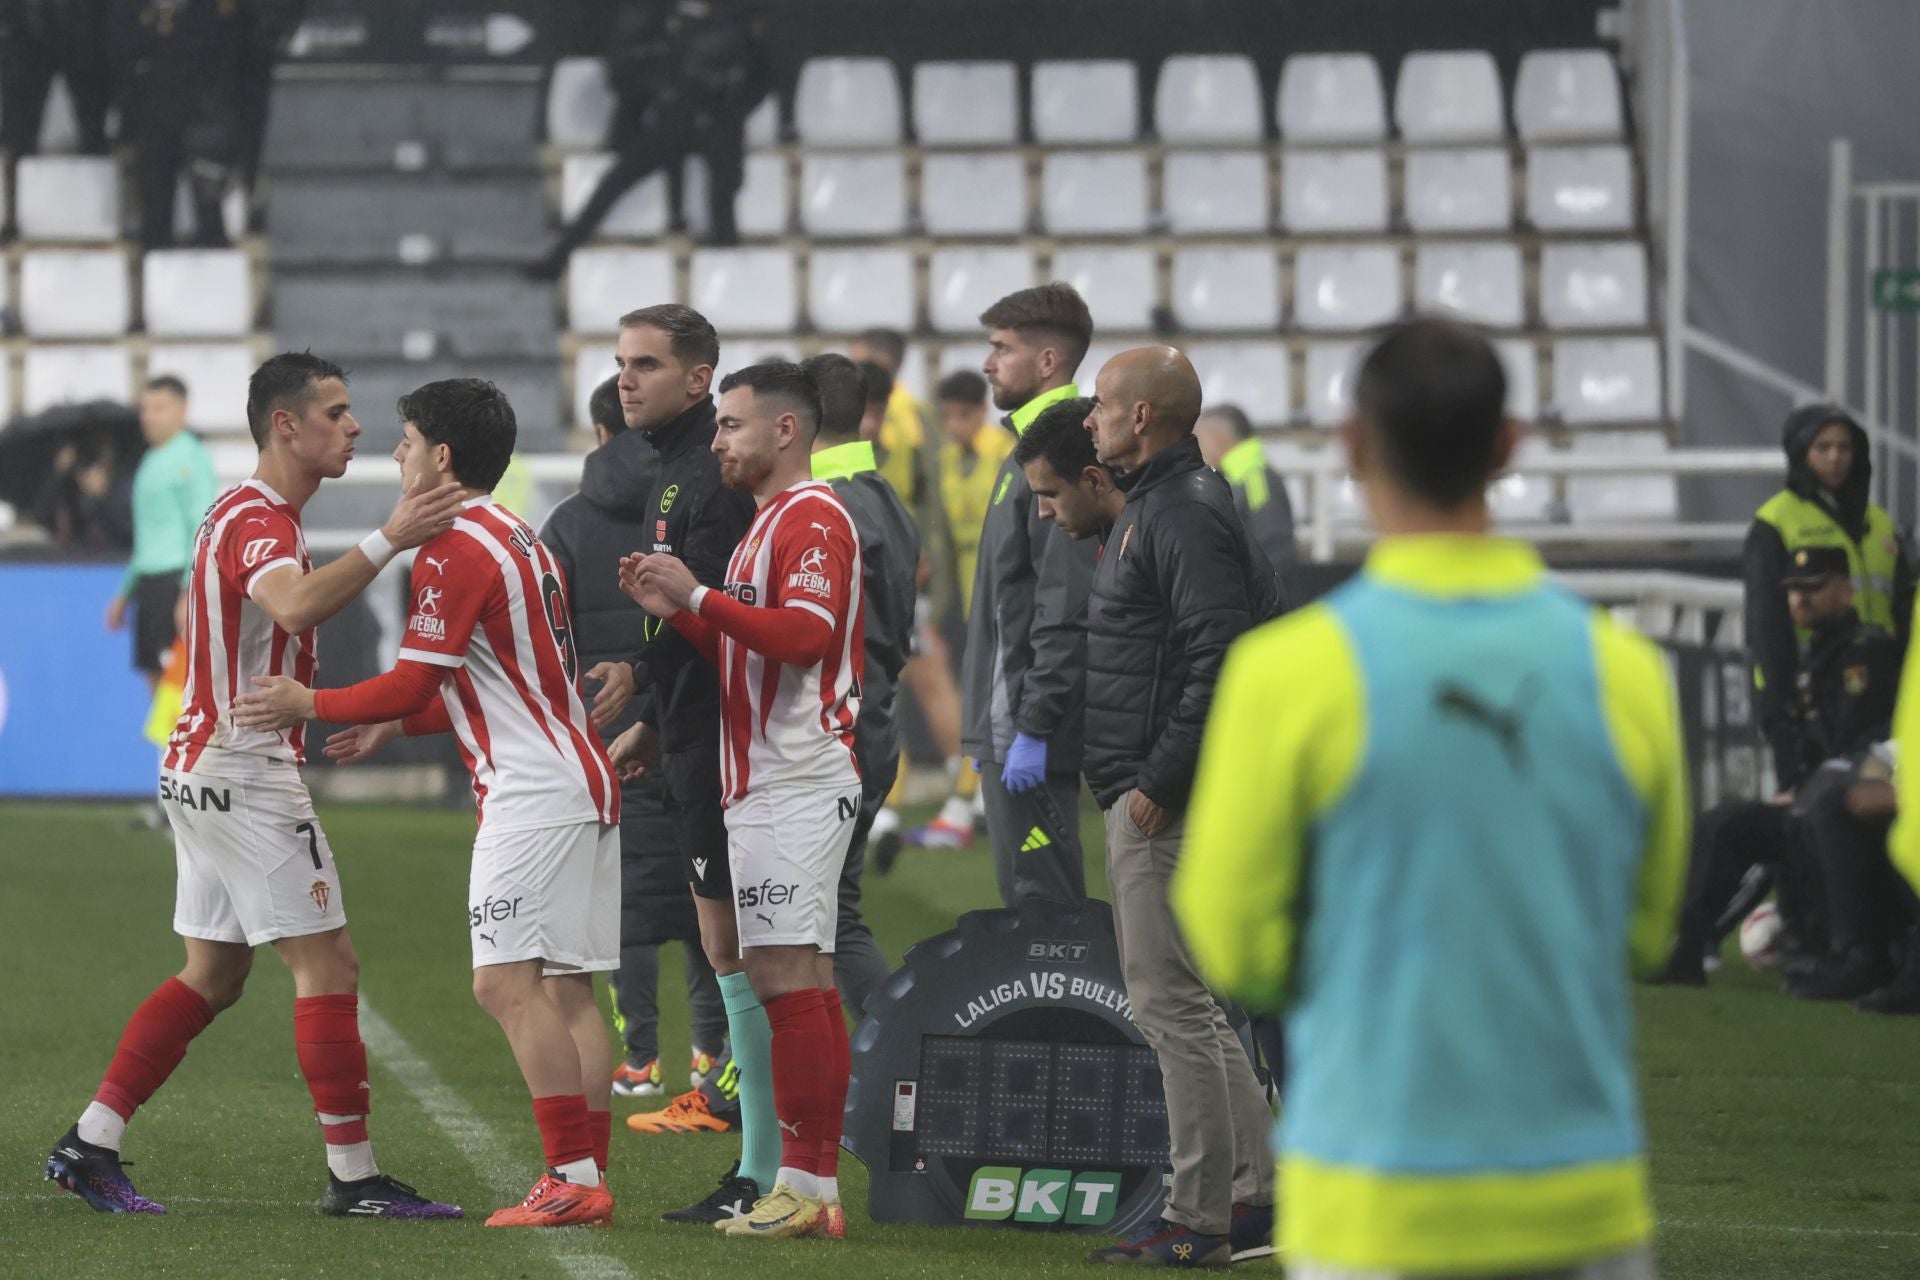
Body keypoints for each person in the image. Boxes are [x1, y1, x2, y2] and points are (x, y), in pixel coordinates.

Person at [1174, 318, 1688, 1280]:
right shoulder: (1626, 671)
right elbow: (1647, 932)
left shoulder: (1287, 673)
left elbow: (1236, 941)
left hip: (1372, 1202)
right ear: (1509, 446)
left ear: (1353, 446)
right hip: (1581, 1197)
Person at [44, 353, 465, 1219]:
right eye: (337, 412)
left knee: (214, 972)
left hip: (201, 761)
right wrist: (392, 537)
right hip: (242, 768)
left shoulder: (237, 511)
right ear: (285, 424)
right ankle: (353, 1178)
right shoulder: (263, 520)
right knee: (329, 964)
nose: (354, 428)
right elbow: (295, 606)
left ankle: (91, 1142)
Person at [232, 378, 622, 1228]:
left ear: (441, 458)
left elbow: (414, 677)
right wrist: (396, 728)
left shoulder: (453, 547)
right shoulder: (517, 531)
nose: (397, 454)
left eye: (406, 442)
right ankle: (588, 1175)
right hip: (581, 780)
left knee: (503, 984)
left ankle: (569, 1174)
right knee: (568, 990)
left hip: (531, 796)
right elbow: (486, 684)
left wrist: (313, 705)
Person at [621, 361, 863, 1241]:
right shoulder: (771, 523)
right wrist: (680, 610)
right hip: (765, 776)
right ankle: (806, 1185)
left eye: (730, 424)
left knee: (791, 979)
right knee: (791, 978)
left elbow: (806, 637)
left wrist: (696, 594)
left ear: (786, 431)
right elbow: (749, 651)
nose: (717, 440)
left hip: (797, 776)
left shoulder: (813, 517)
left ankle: (809, 1185)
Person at [1074, 348, 1279, 1267]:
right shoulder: (1164, 504)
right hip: (1155, 787)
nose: (1091, 420)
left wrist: (1160, 780)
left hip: (1164, 799)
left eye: (1104, 407)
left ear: (1144, 417)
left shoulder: (1179, 511)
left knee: (1170, 1005)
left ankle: (1200, 1222)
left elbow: (1221, 653)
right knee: (1186, 1002)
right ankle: (1257, 1196)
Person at [595, 304, 769, 1223]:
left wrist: (644, 681)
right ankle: (764, 1152)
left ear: (700, 379)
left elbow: (708, 613)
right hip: (696, 729)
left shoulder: (706, 477)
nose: (627, 379)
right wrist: (658, 717)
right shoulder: (674, 473)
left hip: (731, 740)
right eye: (623, 363)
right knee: (738, 945)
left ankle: (765, 1157)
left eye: (647, 365)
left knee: (751, 949)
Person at [539, 374, 728, 1100]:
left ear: (597, 434)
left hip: (602, 723)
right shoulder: (698, 493)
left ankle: (640, 1057)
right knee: (706, 898)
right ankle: (712, 1055)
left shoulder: (567, 522)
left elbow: (547, 633)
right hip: (681, 709)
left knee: (625, 904)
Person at [1662, 546, 1898, 988]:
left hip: (1852, 801)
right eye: (1793, 591)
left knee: (1785, 821)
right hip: (1814, 797)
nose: (1800, 600)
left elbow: (1866, 746)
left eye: (1813, 589)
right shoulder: (1815, 658)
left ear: (1846, 592)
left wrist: (1811, 787)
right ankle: (1687, 950)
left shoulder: (1868, 654)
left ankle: (1853, 956)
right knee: (1724, 822)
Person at [962, 282, 1098, 908]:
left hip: (1022, 718)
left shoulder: (1060, 452)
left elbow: (1063, 602)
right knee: (1032, 900)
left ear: (1047, 362)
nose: (987, 364)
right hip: (1011, 716)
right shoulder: (1026, 447)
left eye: (1000, 349)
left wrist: (1034, 726)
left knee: (1045, 909)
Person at [801, 353, 918, 1015]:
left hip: (839, 730)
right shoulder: (884, 498)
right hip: (872, 720)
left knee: (822, 919)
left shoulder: (830, 508)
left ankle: (898, 1060)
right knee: (814, 917)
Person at [528, 0, 770, 276]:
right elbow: (627, 65)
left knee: (723, 204)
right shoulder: (664, 14)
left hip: (720, 123)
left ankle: (728, 279)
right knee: (613, 183)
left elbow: (762, 76)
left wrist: (733, 110)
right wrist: (660, 91)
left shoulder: (737, 16)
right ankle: (559, 258)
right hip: (675, 118)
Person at [1747, 405, 1914, 784]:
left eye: (1844, 447)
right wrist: (1778, 698)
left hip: (1883, 689)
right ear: (1801, 452)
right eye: (1823, 447)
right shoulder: (1776, 521)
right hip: (1815, 690)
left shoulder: (1880, 523)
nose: (1836, 457)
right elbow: (1766, 622)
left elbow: (1903, 609)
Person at [109, 377, 217, 694]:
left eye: (159, 408)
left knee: (178, 678)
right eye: (145, 408)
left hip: (174, 580)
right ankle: (167, 745)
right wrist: (125, 591)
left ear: (182, 411)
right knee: (154, 674)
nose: (149, 416)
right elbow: (148, 537)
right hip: (150, 582)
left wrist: (189, 591)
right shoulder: (149, 460)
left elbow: (201, 527)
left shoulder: (191, 457)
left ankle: (185, 743)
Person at [1194, 403, 1297, 587]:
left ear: (1219, 439)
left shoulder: (1255, 480)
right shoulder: (1239, 479)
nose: (1197, 448)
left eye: (1199, 439)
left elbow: (1275, 550)